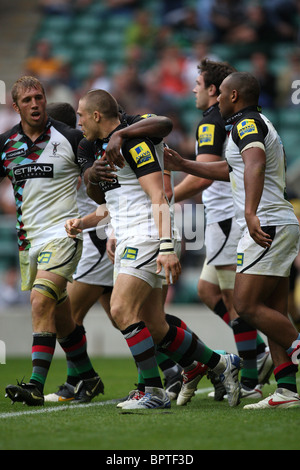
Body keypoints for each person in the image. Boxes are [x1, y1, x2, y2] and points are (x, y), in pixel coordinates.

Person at [78, 88, 242, 410]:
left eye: (81, 115)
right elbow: (104, 198)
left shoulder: (134, 140)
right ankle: (221, 363)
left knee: (121, 310)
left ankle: (152, 391)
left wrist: (166, 244)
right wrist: (91, 177)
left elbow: (157, 195)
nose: (78, 121)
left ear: (97, 115)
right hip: (127, 234)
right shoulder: (90, 146)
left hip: (149, 232)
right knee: (153, 324)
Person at [164, 71, 300, 409]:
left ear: (234, 95)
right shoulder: (251, 124)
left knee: (247, 305)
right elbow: (231, 169)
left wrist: (251, 213)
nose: (217, 100)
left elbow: (254, 164)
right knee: (273, 310)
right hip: (276, 222)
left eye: (222, 94)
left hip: (265, 223)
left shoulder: (245, 124)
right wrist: (184, 163)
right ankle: (286, 389)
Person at [2, 76, 103, 406]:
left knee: (40, 301)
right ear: (16, 107)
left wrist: (91, 177)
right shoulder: (6, 144)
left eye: (39, 97)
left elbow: (91, 176)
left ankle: (34, 384)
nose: (35, 104)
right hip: (28, 242)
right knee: (62, 321)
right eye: (27, 100)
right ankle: (89, 378)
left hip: (64, 235)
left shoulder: (72, 138)